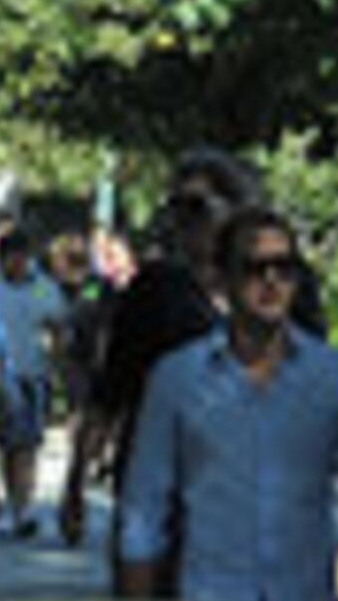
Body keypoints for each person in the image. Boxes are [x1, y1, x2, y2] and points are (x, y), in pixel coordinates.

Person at [117, 205, 338, 601]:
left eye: (284, 267)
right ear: (222, 279)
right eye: (254, 268)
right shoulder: (176, 379)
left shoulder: (337, 379)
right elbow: (143, 513)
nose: (271, 281)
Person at [70, 154, 245, 562]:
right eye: (176, 209)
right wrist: (75, 481)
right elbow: (110, 389)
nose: (185, 222)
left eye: (197, 208)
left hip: (242, 486)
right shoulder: (155, 288)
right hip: (159, 482)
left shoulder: (272, 282)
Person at [0, 222, 70, 538]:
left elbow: (57, 322)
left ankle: (24, 507)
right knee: (7, 445)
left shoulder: (41, 286)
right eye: (10, 257)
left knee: (28, 445)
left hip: (32, 374)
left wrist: (57, 363)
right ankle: (12, 506)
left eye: (21, 257)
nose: (16, 264)